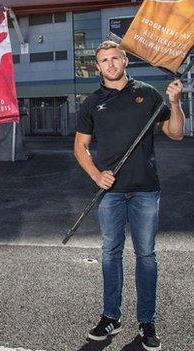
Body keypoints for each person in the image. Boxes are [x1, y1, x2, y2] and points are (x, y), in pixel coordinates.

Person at [74, 40, 184, 351]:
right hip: (110, 193)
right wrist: (97, 175)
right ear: (98, 67)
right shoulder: (92, 102)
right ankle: (111, 317)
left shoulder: (148, 94)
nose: (109, 64)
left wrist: (175, 103)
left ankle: (147, 321)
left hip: (145, 190)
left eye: (114, 58)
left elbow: (175, 133)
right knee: (110, 254)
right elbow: (80, 148)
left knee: (146, 256)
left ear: (125, 61)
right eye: (103, 60)